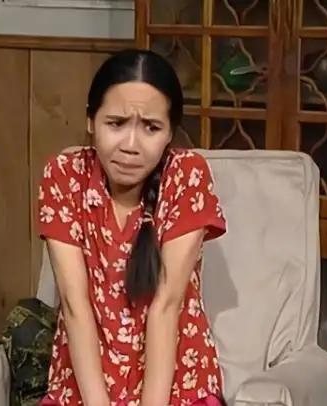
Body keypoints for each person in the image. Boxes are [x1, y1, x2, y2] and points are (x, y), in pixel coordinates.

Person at [37, 48, 227, 406]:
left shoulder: (187, 176)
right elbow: (75, 305)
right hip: (81, 389)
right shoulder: (63, 175)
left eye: (151, 128)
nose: (130, 145)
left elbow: (166, 306)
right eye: (116, 123)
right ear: (91, 121)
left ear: (170, 133)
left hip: (177, 388)